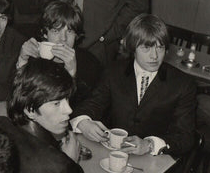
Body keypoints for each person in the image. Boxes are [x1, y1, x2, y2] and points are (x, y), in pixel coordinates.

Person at [0, 59, 97, 173]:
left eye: (67, 100)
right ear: (30, 110)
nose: (68, 110)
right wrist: (70, 163)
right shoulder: (61, 168)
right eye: (57, 103)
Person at [72, 13, 197, 157]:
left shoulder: (183, 84)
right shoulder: (113, 72)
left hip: (155, 160)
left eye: (160, 48)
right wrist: (83, 122)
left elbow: (185, 137)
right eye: (146, 48)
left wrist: (149, 145)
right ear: (132, 48)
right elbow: (92, 104)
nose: (154, 56)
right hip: (113, 154)